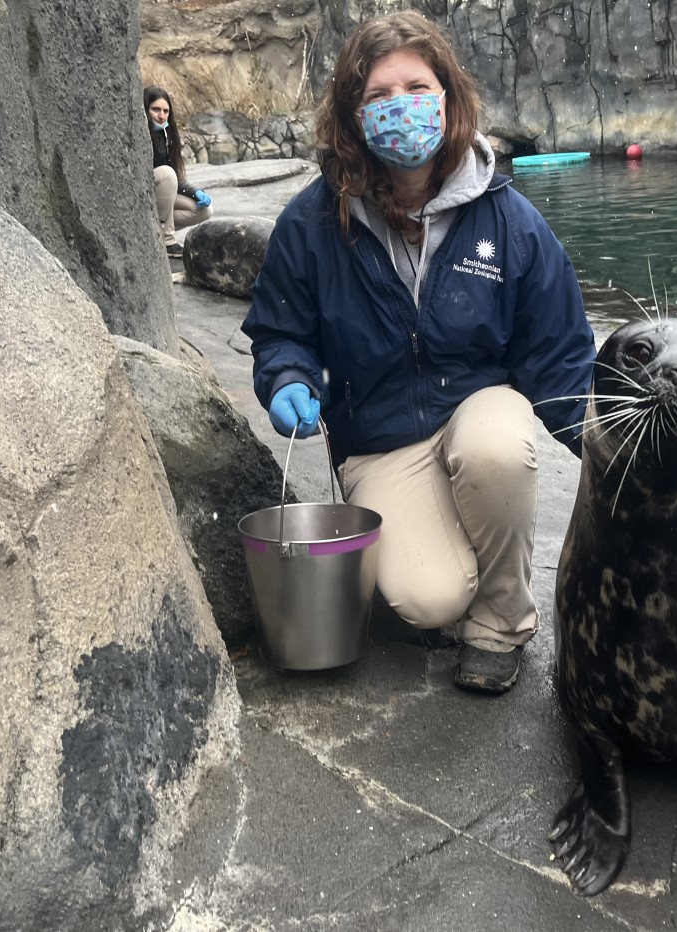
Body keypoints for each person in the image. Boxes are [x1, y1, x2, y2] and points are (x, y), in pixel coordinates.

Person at [241, 11, 595, 694]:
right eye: (378, 96)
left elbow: (558, 354)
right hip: (378, 436)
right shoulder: (309, 224)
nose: (400, 107)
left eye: (416, 86)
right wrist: (284, 374)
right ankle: (458, 566)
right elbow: (281, 330)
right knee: (428, 599)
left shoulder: (510, 220)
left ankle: (501, 623)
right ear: (351, 112)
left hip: (476, 408)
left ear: (448, 96)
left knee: (497, 451)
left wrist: (608, 445)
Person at [145, 86, 212, 258]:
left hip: (164, 196)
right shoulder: (141, 132)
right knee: (167, 174)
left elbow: (177, 176)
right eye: (155, 110)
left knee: (205, 210)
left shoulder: (169, 134)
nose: (161, 116)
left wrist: (195, 192)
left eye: (166, 111)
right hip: (146, 192)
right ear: (145, 108)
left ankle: (157, 230)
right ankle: (168, 242)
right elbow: (166, 175)